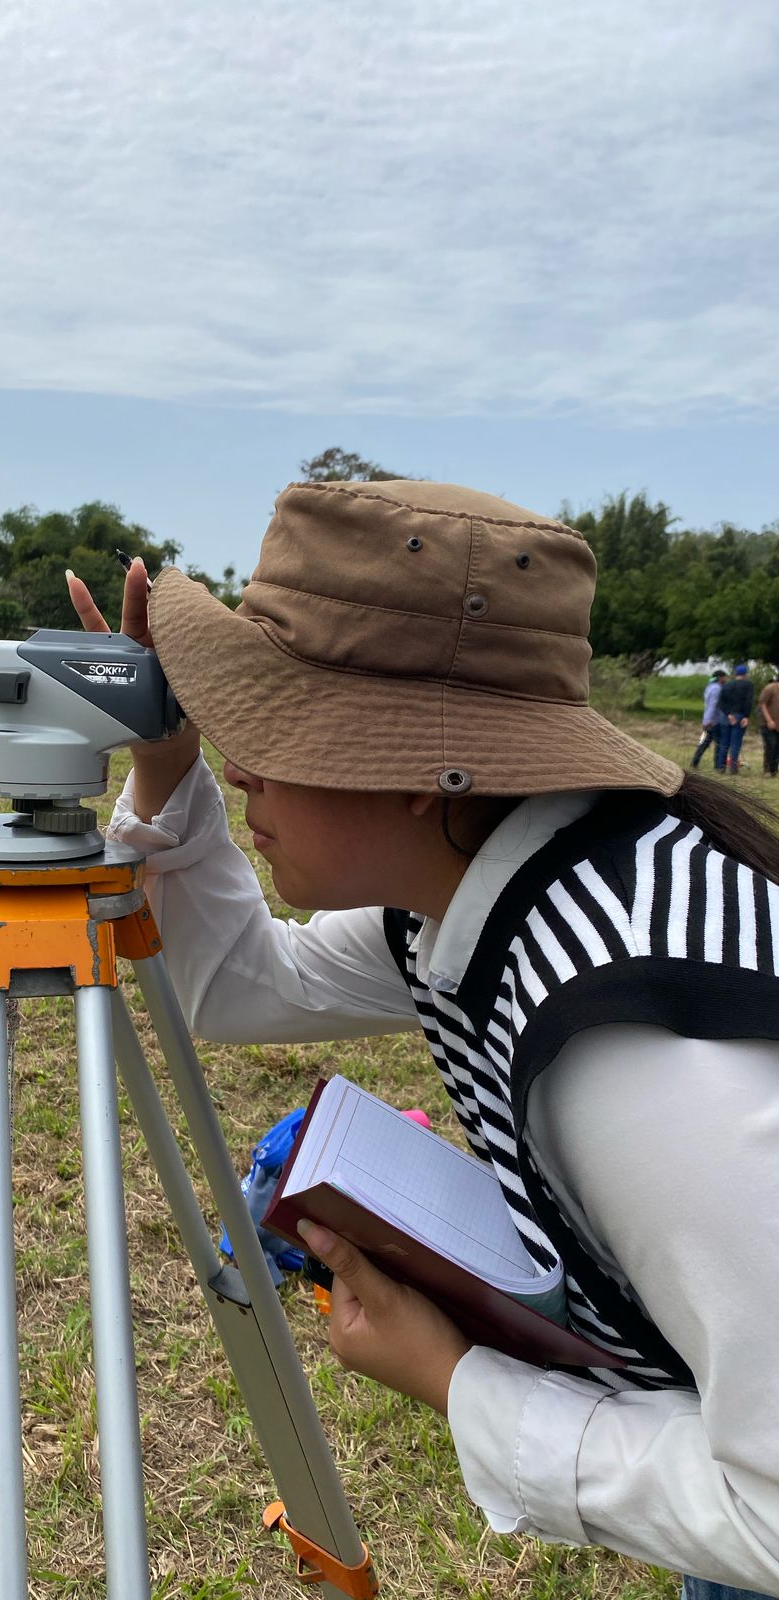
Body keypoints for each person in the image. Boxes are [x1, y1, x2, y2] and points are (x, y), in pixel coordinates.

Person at [67, 480, 779, 1600]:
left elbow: (772, 1512)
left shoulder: (630, 1051)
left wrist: (459, 1380)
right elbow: (245, 989)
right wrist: (168, 769)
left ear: (417, 764)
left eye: (270, 721)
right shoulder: (473, 893)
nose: (241, 761)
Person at [716, 664, 755, 775]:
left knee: (724, 743)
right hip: (739, 716)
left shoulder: (727, 685)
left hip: (726, 717)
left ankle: (721, 767)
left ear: (735, 674)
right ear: (745, 674)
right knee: (735, 743)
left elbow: (721, 702)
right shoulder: (748, 685)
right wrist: (746, 716)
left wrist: (728, 714)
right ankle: (733, 768)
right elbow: (748, 701)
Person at [691, 669, 727, 768]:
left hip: (708, 719)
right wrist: (709, 720)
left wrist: (705, 719)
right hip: (714, 721)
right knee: (719, 743)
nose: (726, 679)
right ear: (720, 678)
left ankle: (695, 761)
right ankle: (718, 765)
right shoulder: (717, 689)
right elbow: (712, 705)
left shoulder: (710, 687)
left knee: (705, 742)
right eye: (725, 677)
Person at [760, 674, 779, 779]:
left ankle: (774, 770)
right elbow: (762, 704)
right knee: (771, 745)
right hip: (767, 724)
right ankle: (766, 769)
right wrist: (769, 720)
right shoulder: (770, 688)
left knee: (777, 747)